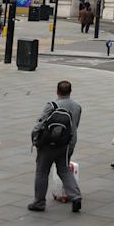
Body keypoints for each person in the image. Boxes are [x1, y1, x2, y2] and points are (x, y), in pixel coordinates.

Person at [28, 80, 82, 213]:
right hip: (65, 145)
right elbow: (75, 127)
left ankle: (39, 202)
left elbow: (39, 125)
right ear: (70, 92)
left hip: (47, 146)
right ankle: (75, 197)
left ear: (57, 91)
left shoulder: (51, 105)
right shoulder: (77, 107)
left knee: (42, 172)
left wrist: (35, 139)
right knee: (64, 170)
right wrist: (71, 145)